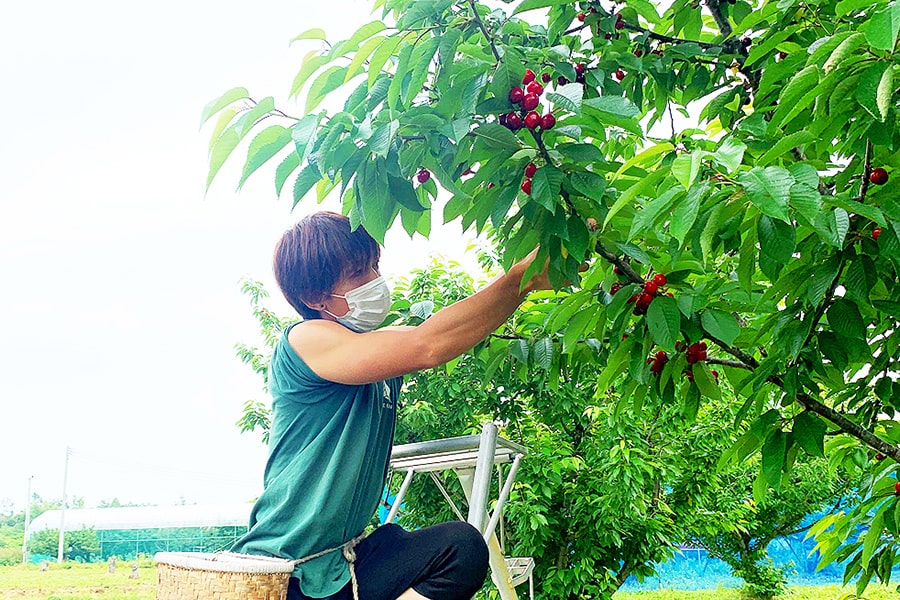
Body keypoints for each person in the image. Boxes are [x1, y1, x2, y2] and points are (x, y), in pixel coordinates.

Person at [231, 211, 551, 600]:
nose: (375, 280)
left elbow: (438, 332)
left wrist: (530, 280)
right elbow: (427, 346)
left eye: (374, 265)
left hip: (342, 563)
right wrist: (521, 278)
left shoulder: (374, 352)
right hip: (288, 570)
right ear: (315, 298)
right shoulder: (307, 339)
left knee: (460, 548)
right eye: (358, 272)